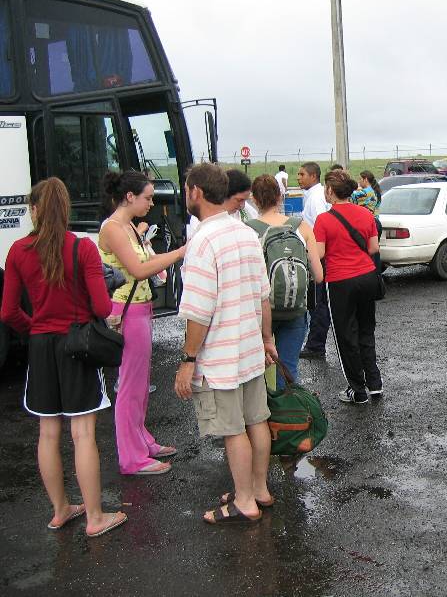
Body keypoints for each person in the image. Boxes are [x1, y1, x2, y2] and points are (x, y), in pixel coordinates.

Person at [1, 177, 128, 537]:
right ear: (66, 208)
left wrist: (35, 330)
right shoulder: (81, 248)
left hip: (41, 347)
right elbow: (102, 305)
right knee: (83, 433)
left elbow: (9, 311)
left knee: (47, 433)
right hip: (76, 344)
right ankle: (95, 517)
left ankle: (60, 510)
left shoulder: (17, 251)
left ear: (35, 210)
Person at [174, 163, 279, 524]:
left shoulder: (202, 242)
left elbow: (199, 312)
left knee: (234, 430)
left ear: (197, 192)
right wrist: (267, 339)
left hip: (220, 359)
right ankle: (259, 489)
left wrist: (188, 359)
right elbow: (263, 296)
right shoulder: (246, 233)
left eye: (188, 188)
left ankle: (244, 501)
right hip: (250, 349)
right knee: (257, 422)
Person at [99, 171, 186, 476]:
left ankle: (141, 440)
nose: (152, 202)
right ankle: (131, 457)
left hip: (139, 309)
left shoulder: (129, 228)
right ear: (130, 197)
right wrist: (180, 252)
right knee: (129, 385)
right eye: (148, 197)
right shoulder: (113, 229)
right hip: (126, 311)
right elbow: (138, 269)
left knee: (138, 383)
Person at [313, 169, 382, 404]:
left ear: (331, 191)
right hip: (367, 277)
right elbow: (373, 248)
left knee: (345, 336)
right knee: (366, 331)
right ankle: (374, 383)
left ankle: (357, 389)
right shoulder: (365, 214)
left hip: (340, 281)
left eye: (325, 187)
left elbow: (319, 253)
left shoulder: (323, 220)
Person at [248, 174, 324, 387]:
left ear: (254, 199)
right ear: (281, 197)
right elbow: (319, 276)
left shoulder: (247, 230)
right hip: (295, 309)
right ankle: (288, 417)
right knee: (288, 368)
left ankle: (260, 417)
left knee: (255, 371)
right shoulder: (301, 227)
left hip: (259, 312)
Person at [298, 162, 332, 359]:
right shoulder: (312, 195)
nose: (299, 178)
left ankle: (316, 345)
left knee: (320, 303)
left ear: (313, 176)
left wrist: (316, 259)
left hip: (319, 255)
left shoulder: (316, 198)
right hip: (316, 254)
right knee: (315, 301)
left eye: (302, 174)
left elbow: (321, 227)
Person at [185, 168, 258, 240]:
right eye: (239, 200)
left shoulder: (249, 211)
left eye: (245, 200)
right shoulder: (200, 218)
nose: (242, 205)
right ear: (225, 194)